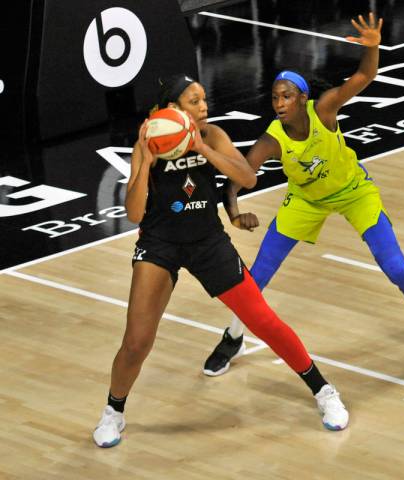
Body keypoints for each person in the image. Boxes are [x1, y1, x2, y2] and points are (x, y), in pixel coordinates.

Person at [202, 13, 404, 376]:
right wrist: (234, 215)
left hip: (353, 192)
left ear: (302, 98)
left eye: (287, 96)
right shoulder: (272, 139)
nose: (279, 103)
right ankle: (234, 336)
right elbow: (235, 181)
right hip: (306, 201)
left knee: (396, 268)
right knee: (257, 275)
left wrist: (372, 47)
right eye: (275, 97)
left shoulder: (324, 110)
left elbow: (364, 76)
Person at [92, 74, 349, 448]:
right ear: (174, 109)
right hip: (160, 244)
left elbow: (246, 177)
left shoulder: (212, 136)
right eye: (194, 101)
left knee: (263, 321)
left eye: (203, 100)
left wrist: (201, 148)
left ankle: (324, 391)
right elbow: (133, 213)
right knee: (136, 341)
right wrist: (146, 163)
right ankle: (113, 413)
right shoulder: (146, 142)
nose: (203, 106)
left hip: (207, 242)